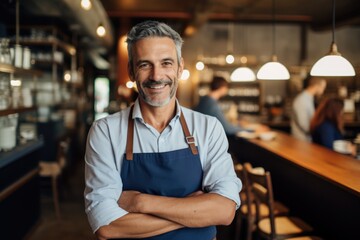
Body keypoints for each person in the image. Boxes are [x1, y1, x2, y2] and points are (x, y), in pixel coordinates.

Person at [84, 20, 241, 240]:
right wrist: (194, 212)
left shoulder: (208, 128)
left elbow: (224, 211)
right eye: (145, 64)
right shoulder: (105, 132)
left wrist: (141, 202)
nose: (156, 76)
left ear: (180, 67)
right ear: (131, 70)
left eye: (166, 63)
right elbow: (107, 226)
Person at [193, 76, 269, 137]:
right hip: (209, 143)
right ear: (223, 88)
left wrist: (239, 124)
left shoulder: (204, 100)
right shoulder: (211, 104)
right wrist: (253, 130)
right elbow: (228, 129)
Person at [291, 75, 327, 141]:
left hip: (306, 140)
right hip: (301, 142)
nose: (323, 90)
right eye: (323, 87)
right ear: (316, 86)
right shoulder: (302, 100)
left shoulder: (309, 98)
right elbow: (304, 124)